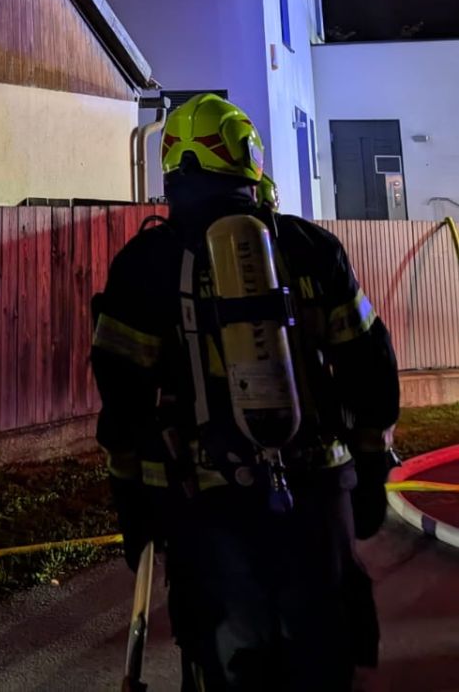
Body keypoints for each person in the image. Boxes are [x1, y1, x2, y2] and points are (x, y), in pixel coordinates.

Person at [91, 92, 400, 692]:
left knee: (228, 661)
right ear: (247, 158)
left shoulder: (145, 265)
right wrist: (369, 465)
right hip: (315, 494)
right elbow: (370, 366)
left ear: (172, 165)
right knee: (322, 651)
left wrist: (133, 497)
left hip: (204, 504)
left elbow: (121, 397)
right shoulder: (311, 249)